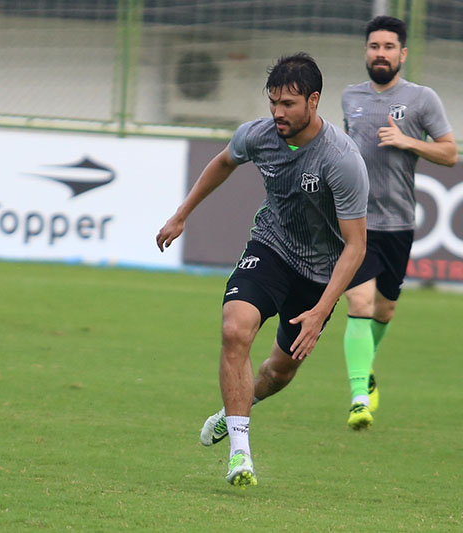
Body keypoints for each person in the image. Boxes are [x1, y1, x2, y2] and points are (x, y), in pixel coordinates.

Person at [157, 53, 369, 487]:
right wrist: (182, 214)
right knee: (235, 328)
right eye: (273, 102)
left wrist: (320, 310)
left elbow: (356, 246)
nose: (277, 112)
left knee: (278, 371)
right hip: (270, 249)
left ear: (314, 101)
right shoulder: (259, 134)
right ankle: (240, 455)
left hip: (319, 276)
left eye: (288, 104)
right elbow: (223, 162)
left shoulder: (341, 160)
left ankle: (234, 408)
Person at [340, 16, 457, 430]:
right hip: (354, 223)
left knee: (385, 310)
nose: (381, 53)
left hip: (399, 224)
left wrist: (408, 141)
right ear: (366, 50)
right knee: (360, 303)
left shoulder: (422, 99)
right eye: (374, 46)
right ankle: (358, 395)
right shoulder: (350, 97)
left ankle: (365, 373)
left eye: (389, 47)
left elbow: (450, 153)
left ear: (402, 54)